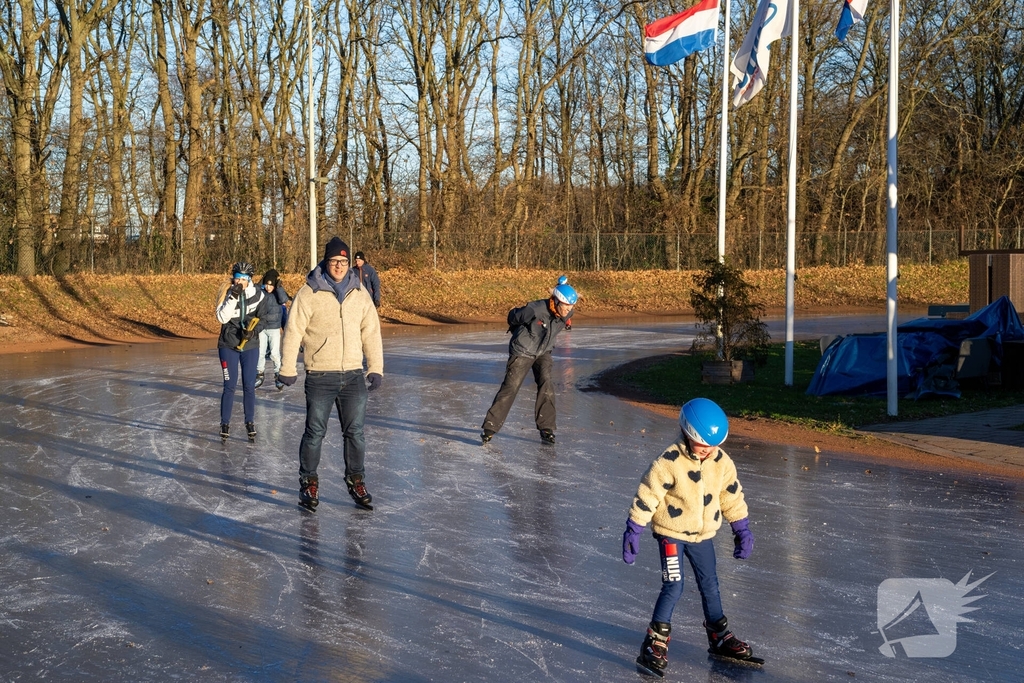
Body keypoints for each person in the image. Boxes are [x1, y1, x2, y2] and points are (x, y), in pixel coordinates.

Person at [622, 398, 758, 676]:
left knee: (711, 585)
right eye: (702, 445)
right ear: (686, 433)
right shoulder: (669, 461)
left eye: (714, 446)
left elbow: (731, 495)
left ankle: (719, 636)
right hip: (671, 534)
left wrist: (741, 528)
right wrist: (634, 528)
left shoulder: (721, 462)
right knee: (674, 585)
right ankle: (654, 641)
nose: (708, 451)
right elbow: (648, 494)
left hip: (703, 535)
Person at [278, 237, 383, 512]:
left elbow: (371, 331)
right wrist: (287, 367)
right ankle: (308, 484)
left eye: (344, 262)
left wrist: (375, 367)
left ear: (349, 264)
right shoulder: (308, 293)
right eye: (335, 261)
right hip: (320, 375)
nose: (339, 266)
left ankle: (356, 480)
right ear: (326, 262)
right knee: (314, 433)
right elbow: (293, 332)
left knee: (356, 433)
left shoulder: (360, 293)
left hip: (352, 375)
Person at [480, 276, 577, 445]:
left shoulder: (567, 311)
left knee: (546, 384)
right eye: (566, 306)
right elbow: (513, 317)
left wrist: (566, 320)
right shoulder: (535, 309)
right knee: (511, 387)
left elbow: (563, 319)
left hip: (543, 351)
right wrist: (518, 329)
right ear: (557, 301)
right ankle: (490, 427)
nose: (569, 310)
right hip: (523, 350)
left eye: (572, 306)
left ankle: (546, 429)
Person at [215, 261, 274, 442]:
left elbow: (263, 318)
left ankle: (250, 421)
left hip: (250, 344)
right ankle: (225, 423)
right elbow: (222, 318)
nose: (240, 282)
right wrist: (233, 297)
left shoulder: (259, 295)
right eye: (237, 278)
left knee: (249, 385)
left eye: (244, 279)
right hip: (228, 344)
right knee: (230, 385)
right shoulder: (227, 293)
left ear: (250, 280)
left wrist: (253, 330)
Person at [255, 269, 290, 390]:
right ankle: (259, 374)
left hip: (274, 328)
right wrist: (260, 284)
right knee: (260, 352)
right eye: (266, 284)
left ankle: (278, 375)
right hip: (262, 327)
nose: (268, 287)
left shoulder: (278, 293)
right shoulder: (261, 292)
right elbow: (254, 292)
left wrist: (279, 288)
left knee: (275, 354)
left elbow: (283, 300)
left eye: (271, 284)